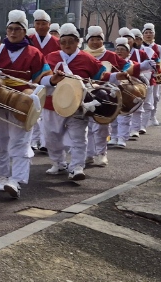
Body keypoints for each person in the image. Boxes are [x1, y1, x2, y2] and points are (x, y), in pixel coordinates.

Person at [0, 10, 46, 199]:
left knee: (20, 140)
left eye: (17, 29)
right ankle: (3, 176)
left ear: (24, 32)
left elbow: (43, 78)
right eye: (10, 29)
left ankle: (16, 180)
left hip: (22, 100)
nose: (13, 33)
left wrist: (35, 91)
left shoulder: (34, 53)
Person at [39, 23, 109, 182]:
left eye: (71, 41)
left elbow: (101, 76)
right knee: (51, 137)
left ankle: (77, 167)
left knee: (79, 137)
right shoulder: (51, 57)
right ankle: (58, 162)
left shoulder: (87, 58)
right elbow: (40, 78)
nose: (67, 45)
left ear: (78, 42)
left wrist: (113, 78)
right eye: (63, 41)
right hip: (52, 104)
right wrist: (52, 80)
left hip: (78, 106)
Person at [82, 26, 125, 168]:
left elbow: (126, 66)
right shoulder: (83, 55)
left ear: (103, 41)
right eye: (92, 39)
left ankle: (101, 153)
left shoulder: (111, 56)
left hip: (106, 95)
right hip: (85, 93)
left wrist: (121, 78)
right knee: (86, 124)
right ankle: (88, 154)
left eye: (98, 39)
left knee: (102, 125)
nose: (95, 42)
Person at [27, 9, 59, 154]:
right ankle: (32, 141)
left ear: (49, 25)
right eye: (37, 23)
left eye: (43, 24)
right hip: (32, 80)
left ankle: (46, 142)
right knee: (32, 110)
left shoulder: (57, 42)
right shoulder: (28, 40)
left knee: (47, 112)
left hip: (51, 80)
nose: (40, 26)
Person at [140, 23, 161, 128]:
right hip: (141, 75)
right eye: (146, 33)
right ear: (143, 34)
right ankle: (140, 118)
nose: (148, 35)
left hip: (155, 76)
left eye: (151, 32)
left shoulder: (158, 47)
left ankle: (152, 116)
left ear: (154, 34)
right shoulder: (138, 47)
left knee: (155, 97)